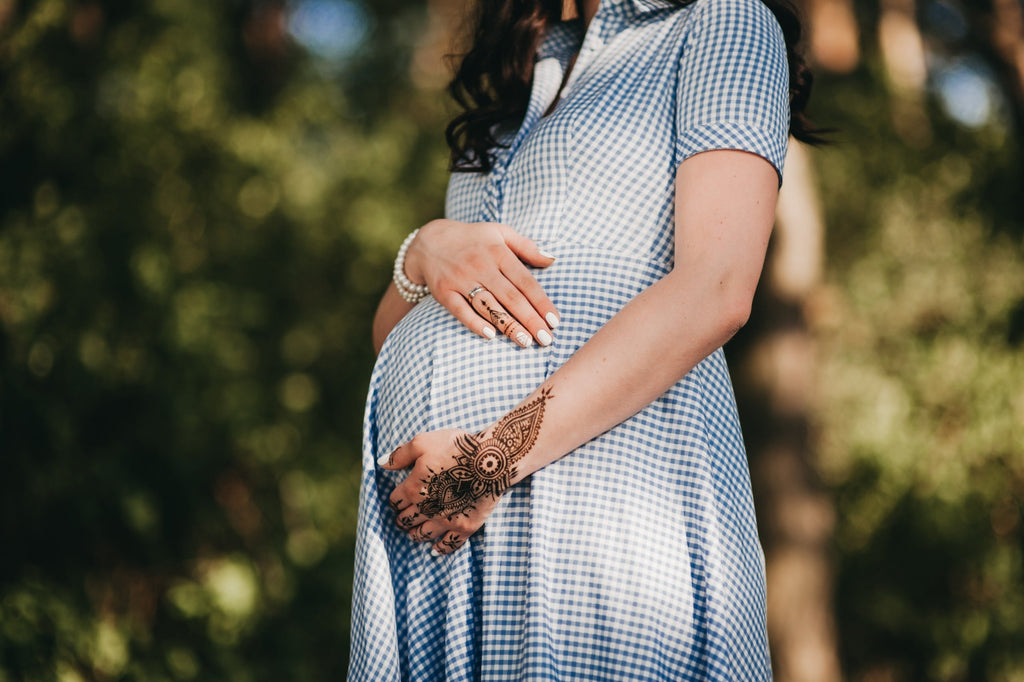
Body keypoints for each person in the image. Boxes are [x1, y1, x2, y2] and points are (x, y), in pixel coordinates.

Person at [349, 0, 823, 678]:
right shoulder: (526, 74)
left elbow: (717, 286)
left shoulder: (725, 19)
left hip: (598, 495)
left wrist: (492, 460)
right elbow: (391, 337)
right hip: (445, 515)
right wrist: (424, 251)